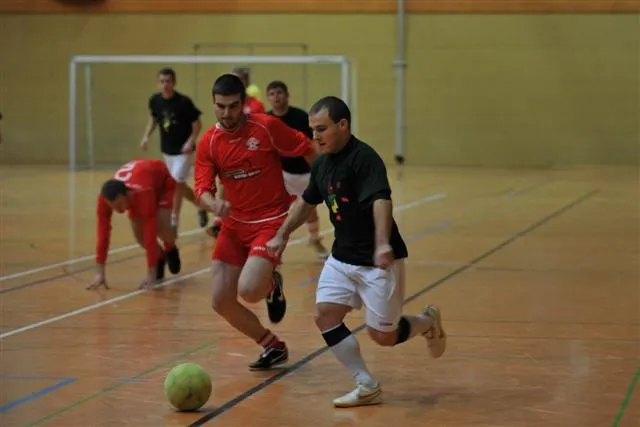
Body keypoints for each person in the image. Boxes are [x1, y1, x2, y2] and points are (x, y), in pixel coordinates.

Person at [266, 96, 447, 407]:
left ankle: (427, 322)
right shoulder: (321, 163)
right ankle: (366, 384)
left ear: (343, 125)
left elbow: (381, 200)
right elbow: (306, 202)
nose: (315, 136)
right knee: (324, 315)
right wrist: (282, 234)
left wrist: (382, 243)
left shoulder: (365, 159)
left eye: (321, 129)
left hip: (378, 262)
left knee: (383, 336)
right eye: (312, 130)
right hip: (341, 258)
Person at [194, 73, 317, 370]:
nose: (227, 113)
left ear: (244, 104)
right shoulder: (209, 142)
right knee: (221, 301)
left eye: (233, 106)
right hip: (234, 225)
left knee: (249, 290)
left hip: (271, 220)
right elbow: (201, 188)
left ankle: (271, 283)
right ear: (213, 104)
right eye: (221, 106)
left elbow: (307, 148)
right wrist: (213, 203)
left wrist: (324, 183)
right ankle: (273, 346)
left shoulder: (266, 127)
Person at [88, 159, 182, 291]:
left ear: (128, 195)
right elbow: (103, 235)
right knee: (139, 237)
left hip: (162, 183)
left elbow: (150, 232)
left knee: (163, 229)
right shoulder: (103, 200)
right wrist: (99, 272)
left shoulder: (142, 193)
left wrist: (151, 274)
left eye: (120, 205)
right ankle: (160, 257)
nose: (117, 210)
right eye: (113, 207)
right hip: (141, 180)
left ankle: (170, 247)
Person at [266, 80, 328, 260]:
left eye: (279, 92)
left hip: (304, 172)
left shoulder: (301, 117)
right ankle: (273, 248)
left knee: (308, 209)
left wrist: (319, 164)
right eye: (272, 94)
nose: (276, 97)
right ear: (268, 98)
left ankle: (315, 240)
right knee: (276, 211)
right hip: (281, 173)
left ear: (287, 95)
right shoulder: (266, 120)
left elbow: (315, 142)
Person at [140, 67, 208, 229]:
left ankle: (174, 218)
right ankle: (200, 205)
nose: (165, 84)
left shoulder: (183, 102)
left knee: (176, 182)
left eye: (168, 81)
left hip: (184, 151)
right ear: (158, 83)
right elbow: (154, 119)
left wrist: (190, 141)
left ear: (174, 82)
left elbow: (197, 124)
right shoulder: (155, 101)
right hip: (167, 150)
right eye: (162, 81)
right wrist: (146, 137)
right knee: (180, 185)